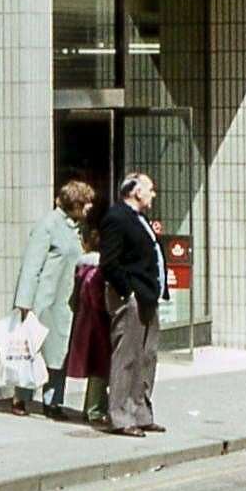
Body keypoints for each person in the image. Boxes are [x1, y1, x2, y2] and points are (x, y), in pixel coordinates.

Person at [10, 180, 94, 419]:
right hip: (45, 300)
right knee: (34, 347)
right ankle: (21, 397)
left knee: (60, 350)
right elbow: (31, 265)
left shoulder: (76, 228)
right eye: (86, 203)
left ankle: (53, 402)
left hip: (65, 301)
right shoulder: (48, 225)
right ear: (75, 204)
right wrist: (24, 302)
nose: (89, 208)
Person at [98, 172, 164, 438]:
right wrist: (128, 291)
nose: (153, 194)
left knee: (147, 356)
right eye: (150, 189)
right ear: (136, 192)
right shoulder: (116, 218)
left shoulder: (140, 219)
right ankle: (120, 416)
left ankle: (141, 412)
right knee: (127, 357)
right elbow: (109, 263)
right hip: (132, 296)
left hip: (148, 295)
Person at [65, 227, 111, 425]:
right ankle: (94, 409)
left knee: (97, 368)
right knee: (99, 369)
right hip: (97, 326)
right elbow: (98, 300)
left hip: (85, 323)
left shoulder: (81, 269)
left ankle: (93, 407)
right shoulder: (96, 272)